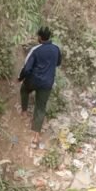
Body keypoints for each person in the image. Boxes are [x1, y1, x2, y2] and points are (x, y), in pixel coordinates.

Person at [18, 26, 62, 154]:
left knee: (24, 90)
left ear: (40, 38)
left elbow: (27, 68)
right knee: (40, 108)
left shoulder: (36, 50)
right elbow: (58, 63)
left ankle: (24, 112)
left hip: (33, 80)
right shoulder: (56, 49)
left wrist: (20, 78)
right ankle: (35, 136)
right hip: (47, 83)